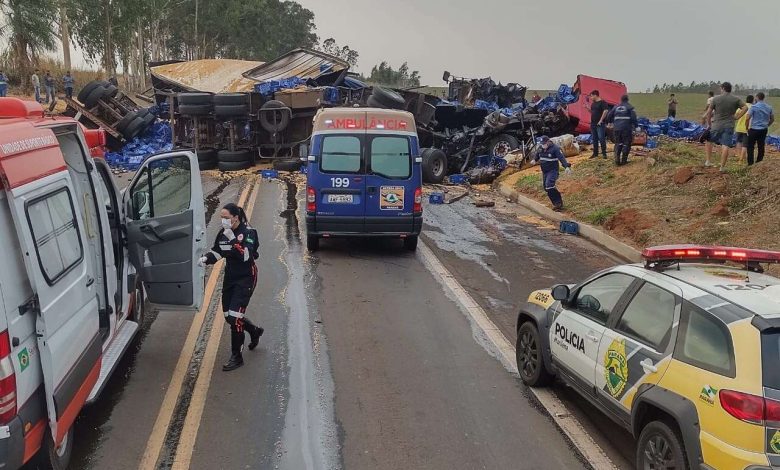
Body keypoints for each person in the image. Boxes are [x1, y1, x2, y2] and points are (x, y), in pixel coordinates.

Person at [200, 203, 264, 371]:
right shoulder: (223, 234)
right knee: (229, 316)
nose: (223, 221)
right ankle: (254, 330)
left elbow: (246, 256)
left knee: (235, 318)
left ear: (236, 217)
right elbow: (218, 252)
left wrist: (233, 239)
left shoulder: (249, 233)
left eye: (226, 218)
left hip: (246, 277)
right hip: (230, 277)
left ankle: (237, 356)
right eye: (222, 218)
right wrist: (206, 259)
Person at [703, 82, 747, 171]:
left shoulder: (715, 99)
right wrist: (737, 116)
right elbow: (745, 108)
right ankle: (722, 167)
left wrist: (709, 124)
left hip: (716, 125)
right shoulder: (736, 99)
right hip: (729, 125)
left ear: (723, 88)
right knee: (726, 145)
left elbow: (709, 112)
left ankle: (708, 161)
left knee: (709, 141)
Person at [533, 136, 572, 211]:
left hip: (553, 171)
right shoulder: (541, 148)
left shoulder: (555, 148)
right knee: (546, 188)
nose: (543, 145)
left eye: (544, 143)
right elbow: (537, 154)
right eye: (542, 144)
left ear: (548, 142)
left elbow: (561, 158)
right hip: (545, 171)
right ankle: (556, 203)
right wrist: (535, 160)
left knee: (549, 185)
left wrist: (566, 166)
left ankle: (558, 203)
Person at [745, 92, 775, 165]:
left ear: (757, 97)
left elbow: (747, 117)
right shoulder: (769, 107)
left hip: (754, 129)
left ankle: (750, 163)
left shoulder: (754, 107)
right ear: (763, 98)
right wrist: (767, 125)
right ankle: (759, 161)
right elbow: (772, 119)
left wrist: (747, 128)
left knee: (750, 146)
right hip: (763, 129)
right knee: (761, 146)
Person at [607, 94, 638, 165]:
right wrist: (636, 126)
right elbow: (633, 118)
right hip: (626, 128)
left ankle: (617, 159)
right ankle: (624, 160)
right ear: (627, 99)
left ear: (621, 100)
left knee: (618, 143)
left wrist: (609, 123)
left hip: (616, 128)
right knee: (626, 143)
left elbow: (609, 115)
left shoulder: (616, 107)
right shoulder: (630, 107)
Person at [588, 90, 609, 158]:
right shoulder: (593, 104)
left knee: (601, 138)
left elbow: (605, 111)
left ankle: (604, 153)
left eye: (591, 96)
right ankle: (595, 153)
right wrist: (587, 109)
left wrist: (600, 120)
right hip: (593, 124)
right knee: (594, 139)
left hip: (600, 124)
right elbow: (592, 112)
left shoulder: (603, 102)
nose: (591, 98)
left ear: (595, 95)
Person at [734, 95, 754, 161]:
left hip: (739, 127)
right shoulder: (753, 107)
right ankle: (741, 159)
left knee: (738, 142)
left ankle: (739, 156)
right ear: (752, 100)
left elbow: (736, 115)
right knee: (745, 145)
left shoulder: (742, 107)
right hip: (747, 128)